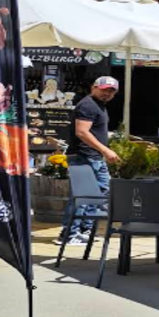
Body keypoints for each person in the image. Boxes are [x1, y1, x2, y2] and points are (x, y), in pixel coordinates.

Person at [62, 76, 121, 246]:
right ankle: (69, 233)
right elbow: (82, 132)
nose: (107, 94)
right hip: (83, 156)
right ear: (94, 87)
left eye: (111, 91)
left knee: (100, 193)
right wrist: (105, 149)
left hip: (93, 157)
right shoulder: (87, 105)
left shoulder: (98, 106)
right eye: (104, 90)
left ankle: (84, 229)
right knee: (83, 195)